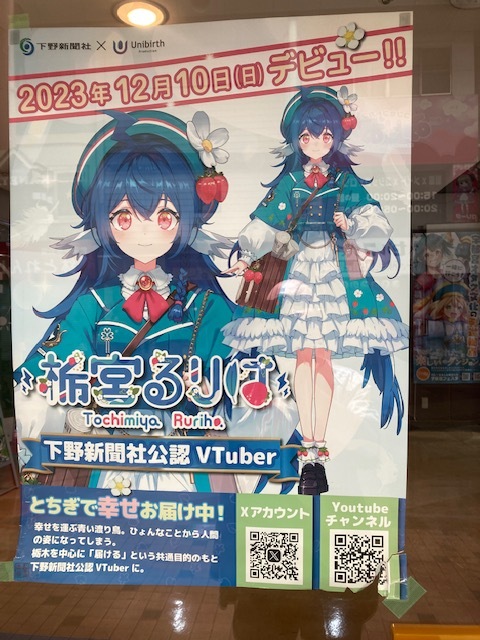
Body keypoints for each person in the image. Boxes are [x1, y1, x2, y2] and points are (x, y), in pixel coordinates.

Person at [15, 108, 297, 494]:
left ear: (185, 222)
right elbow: (37, 384)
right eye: (124, 217)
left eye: (164, 216)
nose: (145, 231)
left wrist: (221, 399)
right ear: (104, 224)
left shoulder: (208, 309)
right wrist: (74, 409)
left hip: (190, 467)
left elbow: (263, 389)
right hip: (111, 464)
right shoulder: (93, 306)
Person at [223, 85, 408, 495]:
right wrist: (246, 253)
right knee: (304, 358)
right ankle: (309, 449)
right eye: (307, 136)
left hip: (335, 271)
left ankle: (314, 454)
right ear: (297, 141)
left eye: (325, 135)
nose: (316, 143)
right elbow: (265, 225)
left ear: (336, 138)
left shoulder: (344, 182)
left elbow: (376, 224)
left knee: (319, 356)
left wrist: (351, 224)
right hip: (293, 269)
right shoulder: (290, 182)